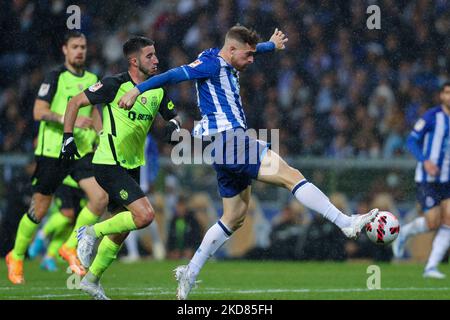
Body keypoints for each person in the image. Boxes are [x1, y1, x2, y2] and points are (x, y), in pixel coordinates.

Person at [119, 25, 379, 300]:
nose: (252, 60)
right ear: (231, 50)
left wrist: (270, 45)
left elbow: (245, 50)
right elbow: (172, 75)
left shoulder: (220, 55)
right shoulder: (210, 64)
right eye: (249, 55)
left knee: (233, 217)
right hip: (232, 141)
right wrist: (138, 91)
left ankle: (190, 271)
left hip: (221, 148)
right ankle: (345, 223)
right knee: (291, 175)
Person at [61, 36, 181, 300]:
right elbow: (74, 103)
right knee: (145, 215)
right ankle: (89, 232)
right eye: (150, 56)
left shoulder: (157, 88)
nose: (156, 60)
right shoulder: (114, 84)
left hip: (132, 165)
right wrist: (67, 136)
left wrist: (175, 126)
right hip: (108, 162)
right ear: (134, 61)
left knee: (122, 228)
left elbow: (173, 116)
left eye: (156, 54)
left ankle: (91, 281)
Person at [5, 31, 108, 284]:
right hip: (53, 151)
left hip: (81, 151)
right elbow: (38, 111)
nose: (80, 51)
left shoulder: (93, 78)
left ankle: (69, 245)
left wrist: (102, 137)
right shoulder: (54, 77)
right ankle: (16, 255)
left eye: (83, 46)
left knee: (100, 197)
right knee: (40, 209)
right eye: (75, 47)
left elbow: (95, 113)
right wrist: (67, 119)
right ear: (65, 49)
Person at [392, 82, 450, 279]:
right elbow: (411, 140)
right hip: (428, 179)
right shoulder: (432, 117)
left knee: (449, 220)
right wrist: (425, 161)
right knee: (433, 222)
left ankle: (431, 267)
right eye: (447, 92)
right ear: (441, 96)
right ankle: (404, 232)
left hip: (448, 179)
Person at [28, 175, 86, 272]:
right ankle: (41, 236)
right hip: (66, 181)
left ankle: (49, 257)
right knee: (68, 213)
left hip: (80, 183)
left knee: (71, 224)